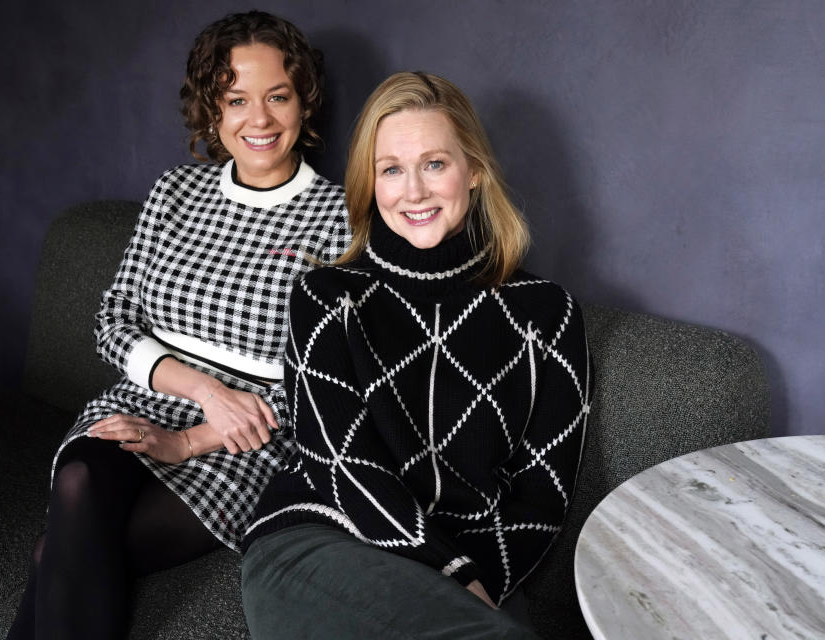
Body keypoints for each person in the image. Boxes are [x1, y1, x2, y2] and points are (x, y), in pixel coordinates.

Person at [7, 11, 350, 639]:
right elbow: (114, 320)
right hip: (148, 397)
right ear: (212, 111)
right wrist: (200, 391)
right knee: (82, 477)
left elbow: (325, 378)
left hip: (246, 439)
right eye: (236, 99)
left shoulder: (340, 218)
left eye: (278, 96)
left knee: (57, 550)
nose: (261, 119)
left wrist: (196, 436)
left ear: (305, 102)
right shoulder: (174, 192)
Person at [240, 71, 592, 639]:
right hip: (321, 539)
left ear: (473, 171)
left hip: (471, 563)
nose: (414, 191)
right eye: (391, 170)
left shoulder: (547, 314)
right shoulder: (327, 298)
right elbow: (341, 467)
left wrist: (479, 581)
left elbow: (542, 497)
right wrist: (453, 572)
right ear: (371, 184)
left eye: (434, 164)